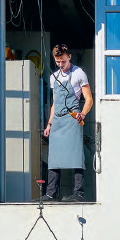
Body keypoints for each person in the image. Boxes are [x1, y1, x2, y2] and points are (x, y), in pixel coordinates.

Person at [41, 44, 93, 203]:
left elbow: (89, 99)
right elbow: (55, 102)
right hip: (57, 119)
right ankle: (51, 193)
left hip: (72, 118)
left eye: (63, 61)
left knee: (76, 156)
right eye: (57, 62)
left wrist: (83, 114)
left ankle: (78, 193)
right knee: (54, 157)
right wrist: (49, 124)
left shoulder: (79, 74)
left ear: (69, 57)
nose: (60, 65)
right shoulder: (53, 77)